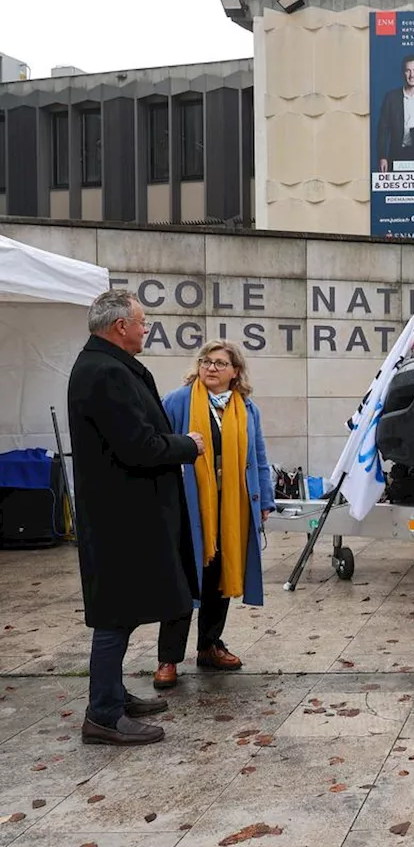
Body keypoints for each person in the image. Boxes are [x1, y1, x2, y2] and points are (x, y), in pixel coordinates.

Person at [66, 289, 204, 746]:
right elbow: (138, 446)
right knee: (115, 615)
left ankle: (112, 694)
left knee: (119, 610)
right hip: (119, 518)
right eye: (142, 322)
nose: (147, 329)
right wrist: (189, 445)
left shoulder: (106, 366)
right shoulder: (104, 373)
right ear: (120, 325)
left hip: (124, 513)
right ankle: (103, 714)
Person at [153, 340, 275, 689]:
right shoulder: (178, 401)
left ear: (235, 371)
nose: (211, 368)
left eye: (220, 363)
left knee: (220, 578)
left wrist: (264, 500)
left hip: (231, 507)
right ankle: (168, 658)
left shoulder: (246, 409)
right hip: (189, 506)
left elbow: (259, 458)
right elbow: (160, 448)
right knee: (184, 581)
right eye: (206, 361)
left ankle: (209, 645)